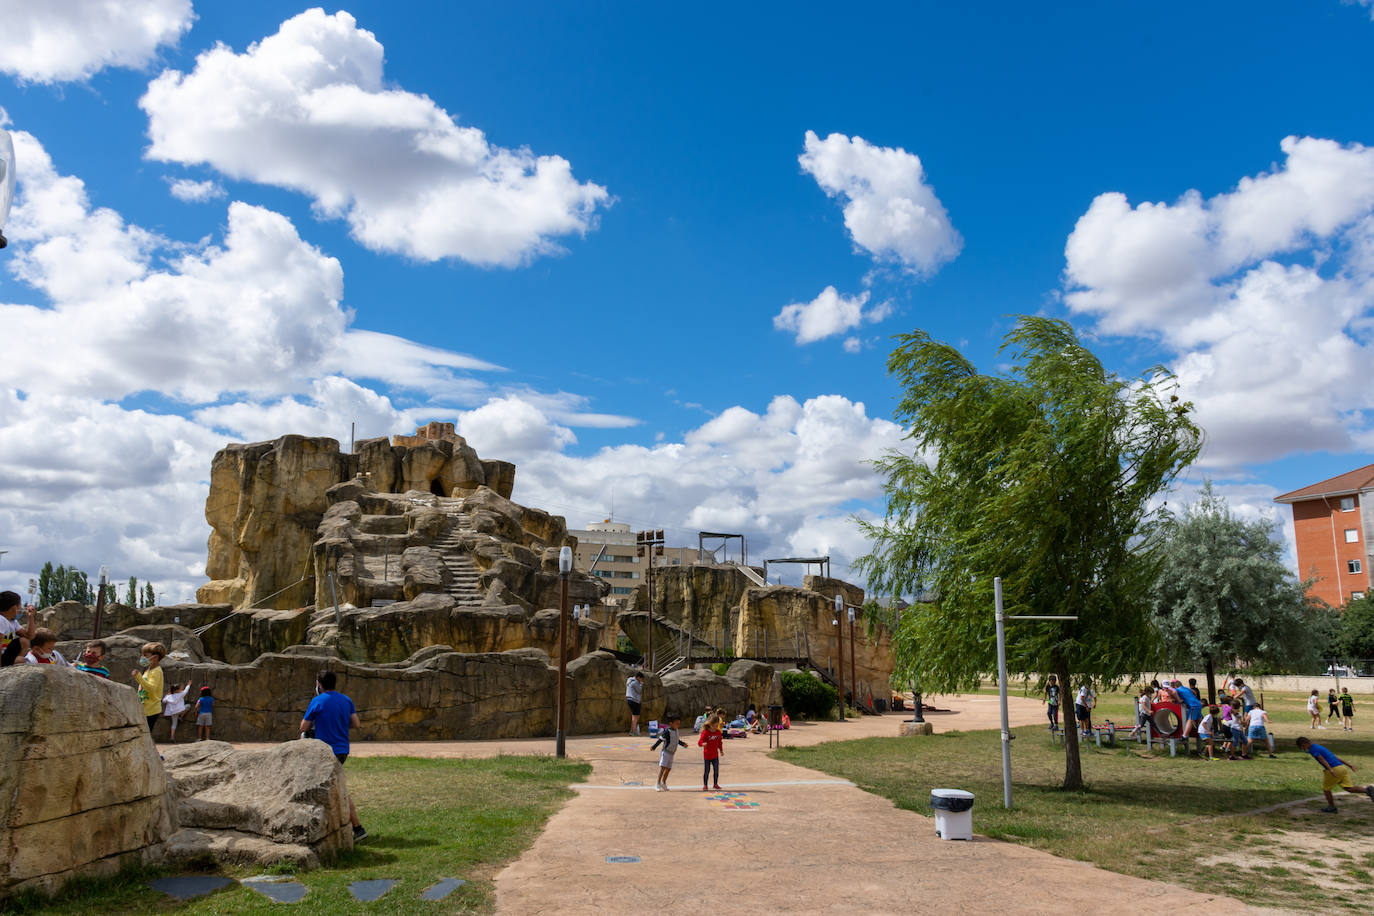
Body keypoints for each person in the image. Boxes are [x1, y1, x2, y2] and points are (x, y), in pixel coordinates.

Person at [301, 671, 367, 842]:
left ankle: (357, 828)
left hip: (325, 752)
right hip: (342, 749)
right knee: (335, 787)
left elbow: (303, 727)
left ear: (319, 685)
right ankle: (355, 828)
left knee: (337, 789)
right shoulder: (346, 700)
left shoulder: (317, 701)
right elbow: (356, 724)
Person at [1294, 737, 1374, 813]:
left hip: (1334, 769)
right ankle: (1367, 790)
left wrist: (1330, 769)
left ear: (1303, 744)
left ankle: (1331, 808)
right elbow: (1335, 757)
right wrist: (1349, 765)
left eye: (1302, 747)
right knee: (1348, 788)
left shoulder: (1313, 749)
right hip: (1342, 768)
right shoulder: (1319, 747)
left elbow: (1322, 759)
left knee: (1326, 789)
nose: (1303, 749)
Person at [130, 643, 166, 733]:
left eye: (145, 655)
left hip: (151, 710)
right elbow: (143, 687)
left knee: (145, 734)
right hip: (144, 709)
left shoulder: (157, 672)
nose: (142, 658)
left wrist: (138, 677)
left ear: (155, 657)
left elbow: (151, 688)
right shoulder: (147, 671)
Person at [0, 591, 36, 667]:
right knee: (21, 660)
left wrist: (31, 617)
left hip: (5, 653)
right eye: (20, 605)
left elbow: (29, 636)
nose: (21, 608)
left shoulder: (13, 622)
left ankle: (12, 665)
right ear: (14, 608)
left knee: (24, 641)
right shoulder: (1, 620)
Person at [650, 713, 682, 791]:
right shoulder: (667, 732)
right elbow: (661, 740)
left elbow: (677, 740)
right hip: (666, 752)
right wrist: (654, 746)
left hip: (672, 753)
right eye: (676, 724)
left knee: (668, 769)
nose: (678, 725)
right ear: (671, 724)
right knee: (663, 768)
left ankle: (663, 783)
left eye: (679, 724)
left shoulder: (676, 731)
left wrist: (683, 744)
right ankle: (657, 783)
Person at [698, 714, 723, 791]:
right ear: (710, 724)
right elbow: (699, 742)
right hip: (707, 755)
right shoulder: (705, 732)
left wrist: (721, 750)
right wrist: (702, 744)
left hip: (715, 755)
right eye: (714, 725)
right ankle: (705, 785)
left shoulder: (718, 733)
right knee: (707, 771)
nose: (715, 727)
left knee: (716, 770)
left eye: (717, 725)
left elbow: (719, 742)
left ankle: (715, 784)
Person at [625, 672, 644, 736]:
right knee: (635, 716)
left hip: (631, 699)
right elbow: (639, 690)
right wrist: (641, 684)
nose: (641, 680)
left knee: (636, 716)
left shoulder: (630, 680)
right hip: (634, 700)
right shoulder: (635, 682)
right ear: (638, 677)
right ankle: (633, 731)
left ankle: (633, 729)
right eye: (641, 678)